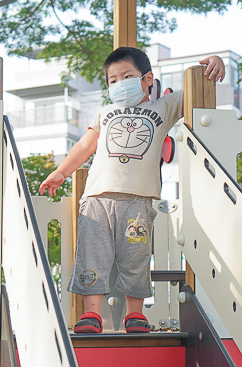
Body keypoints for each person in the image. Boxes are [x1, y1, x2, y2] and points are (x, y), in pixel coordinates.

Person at [39, 46, 225, 333]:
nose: (119, 84)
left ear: (147, 78)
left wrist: (213, 63)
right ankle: (92, 314)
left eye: (127, 76)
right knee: (93, 255)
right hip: (98, 198)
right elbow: (85, 145)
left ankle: (135, 314)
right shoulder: (106, 112)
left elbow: (195, 89)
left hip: (138, 201)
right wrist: (62, 171)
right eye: (113, 80)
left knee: (135, 258)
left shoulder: (161, 108)